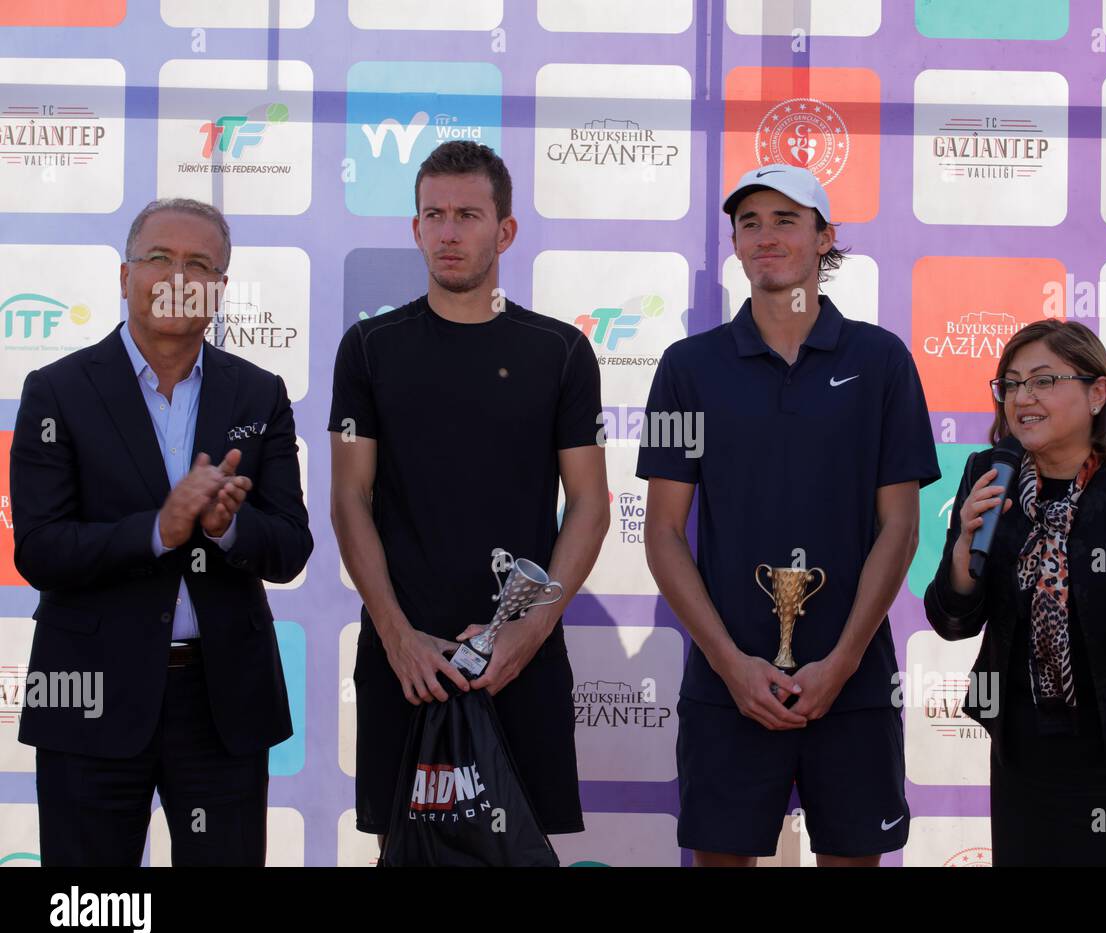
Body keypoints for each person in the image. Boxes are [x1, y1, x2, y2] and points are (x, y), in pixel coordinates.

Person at [639, 164, 940, 866]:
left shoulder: (881, 361)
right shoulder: (690, 367)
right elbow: (661, 532)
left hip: (854, 681)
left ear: (824, 237)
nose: (765, 236)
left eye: (785, 220)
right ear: (735, 246)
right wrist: (729, 664)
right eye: (749, 223)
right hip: (727, 682)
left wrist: (841, 661)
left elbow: (900, 527)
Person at [11, 197, 312, 866]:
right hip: (87, 699)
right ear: (125, 276)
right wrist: (160, 531)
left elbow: (291, 545)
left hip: (222, 706)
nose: (177, 276)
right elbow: (38, 549)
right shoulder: (56, 392)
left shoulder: (258, 395)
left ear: (220, 290)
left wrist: (229, 530)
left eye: (199, 264)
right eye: (160, 259)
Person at [329, 140, 609, 853]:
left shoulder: (560, 351)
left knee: (521, 852)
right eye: (434, 215)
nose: (449, 232)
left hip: (521, 660)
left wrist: (528, 632)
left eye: (468, 215)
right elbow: (348, 500)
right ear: (415, 228)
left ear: (505, 230)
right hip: (404, 661)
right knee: (406, 855)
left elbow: (589, 504)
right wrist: (396, 638)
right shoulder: (368, 348)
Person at [924, 319, 1106, 866]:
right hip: (1028, 753)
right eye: (1010, 384)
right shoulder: (988, 473)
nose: (1022, 398)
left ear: (1097, 391)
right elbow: (954, 619)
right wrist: (964, 547)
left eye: (1042, 381)